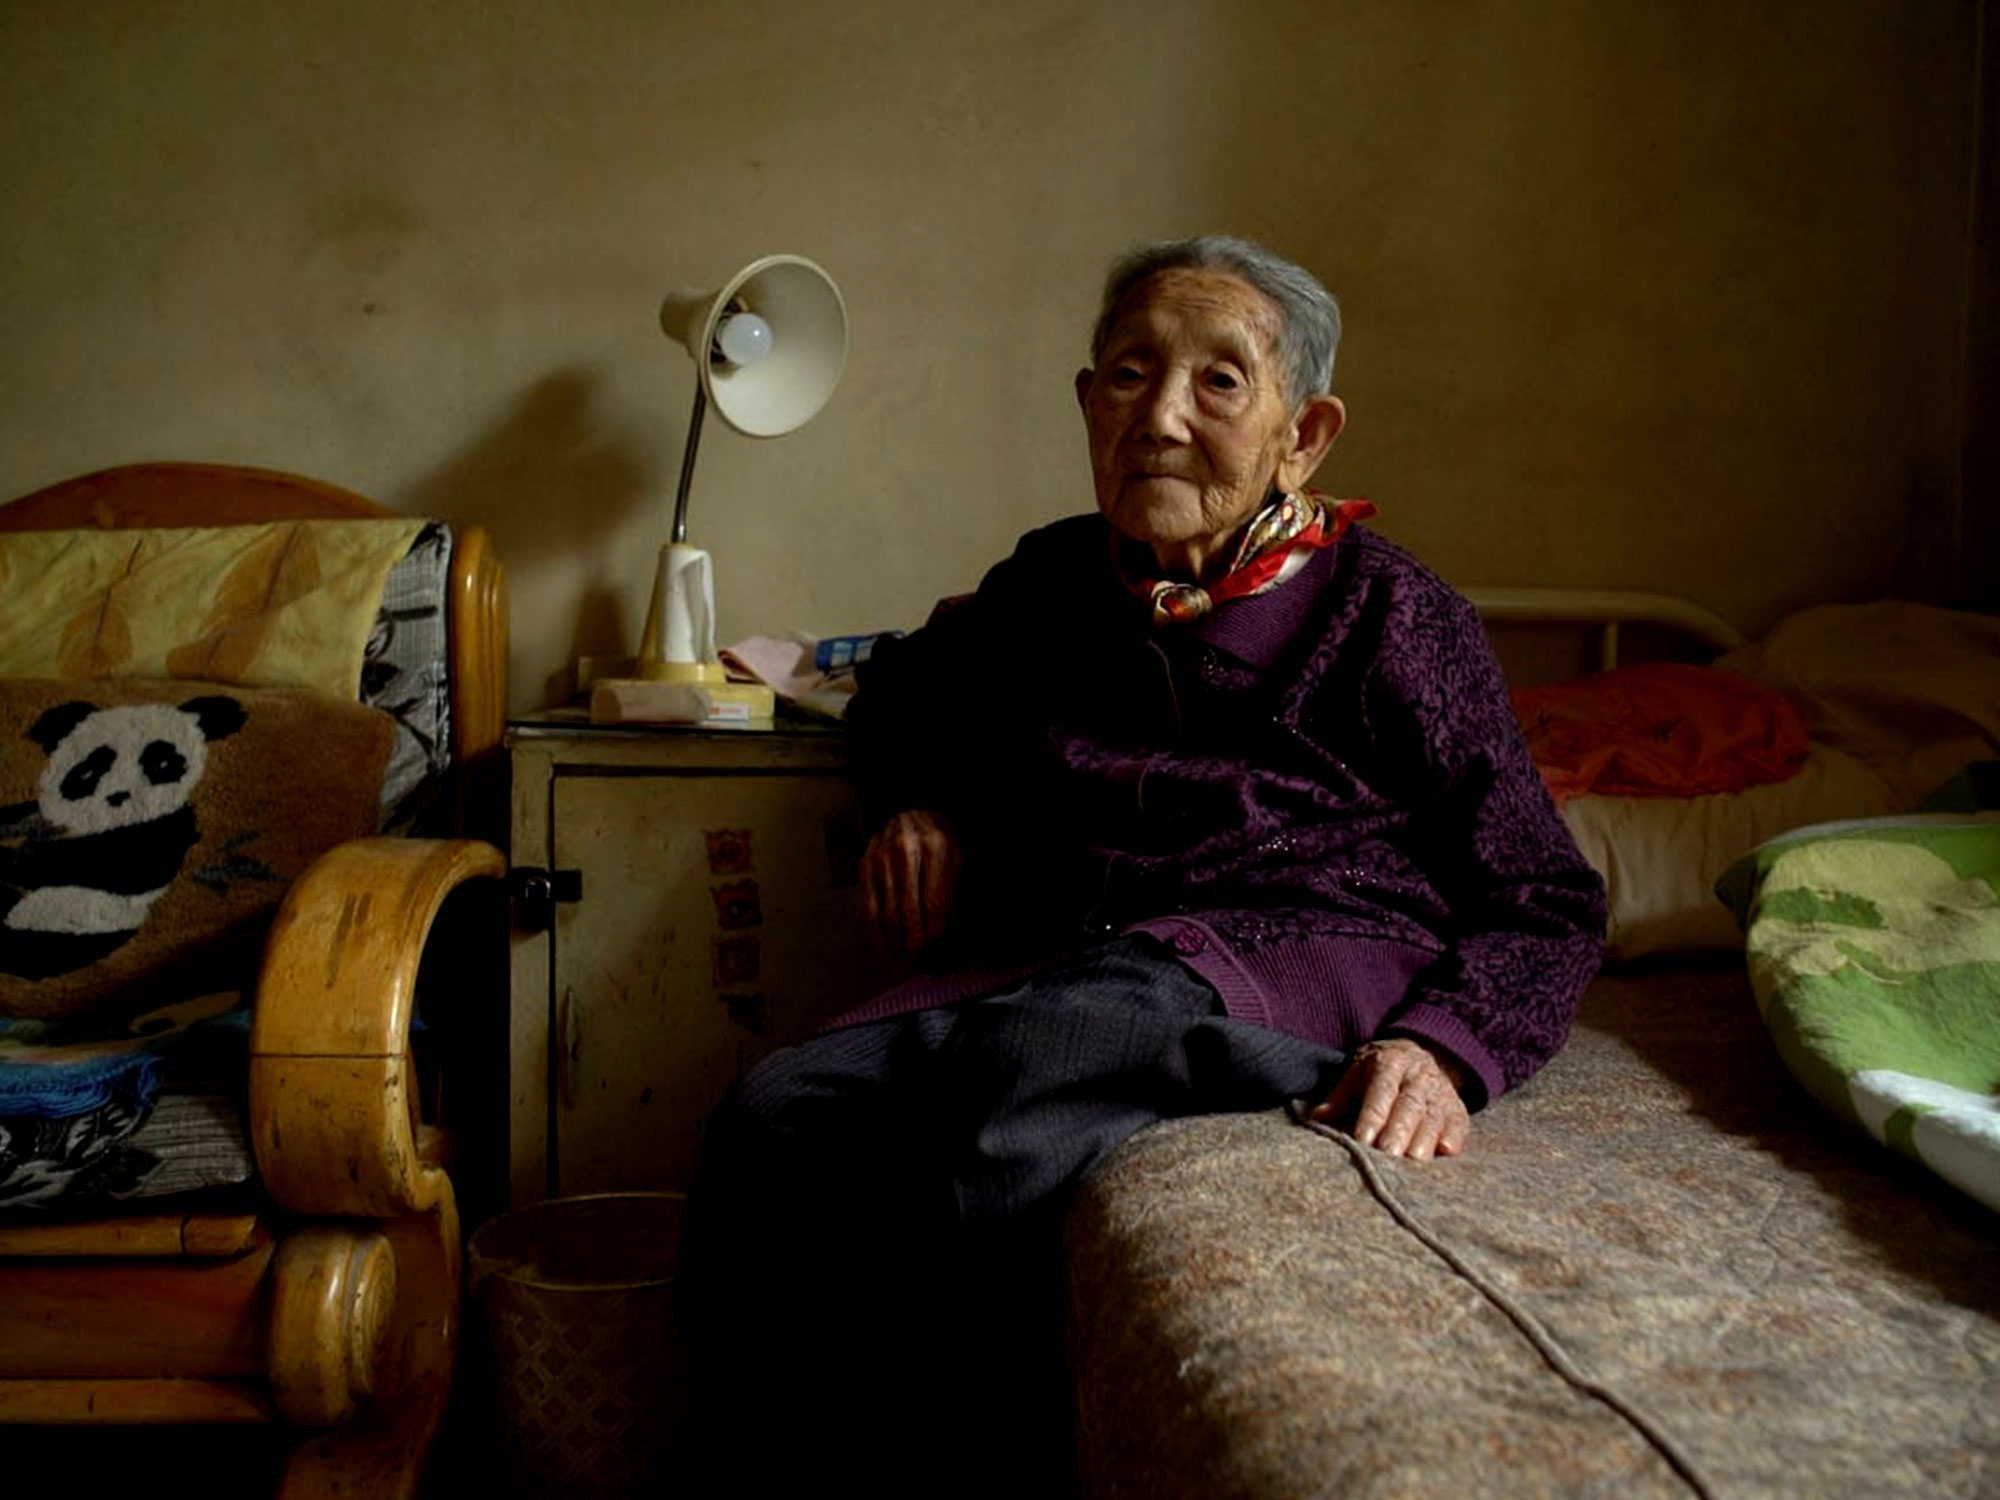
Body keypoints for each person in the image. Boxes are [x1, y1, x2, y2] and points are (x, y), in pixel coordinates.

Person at [675, 235, 1607, 1495]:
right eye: (1128, 373)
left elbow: (1543, 893)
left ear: (1303, 435)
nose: (1160, 417)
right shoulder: (1052, 580)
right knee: (776, 1114)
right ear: (1085, 402)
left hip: (1299, 938)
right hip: (1072, 953)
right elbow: (902, 688)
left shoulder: (1393, 616)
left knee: (1033, 1069)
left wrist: (1443, 1047)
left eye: (1218, 381)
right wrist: (918, 803)